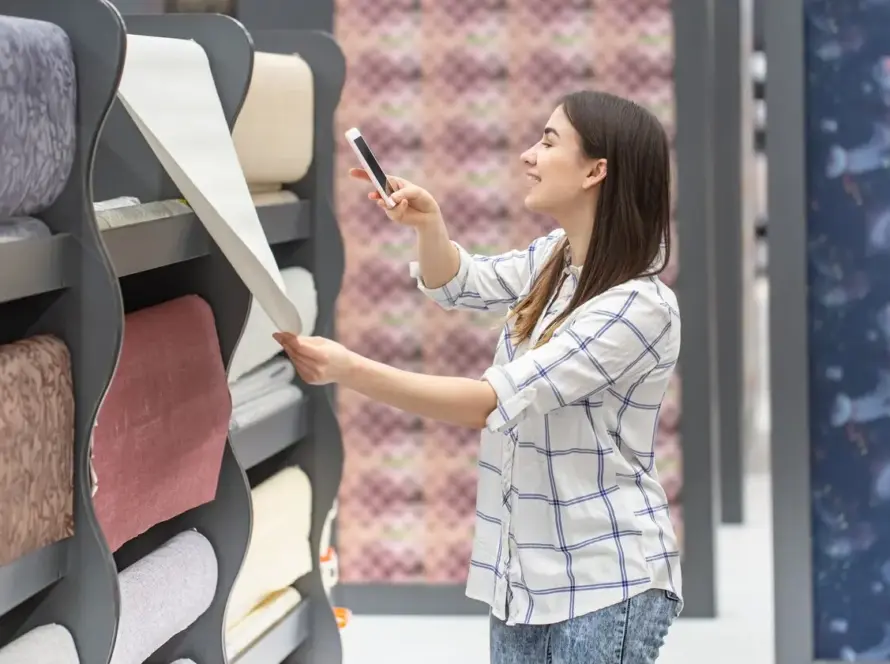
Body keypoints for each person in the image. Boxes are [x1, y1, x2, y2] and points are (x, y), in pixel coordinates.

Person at [275, 90, 682, 664]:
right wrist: (429, 226)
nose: (527, 155)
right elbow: (462, 282)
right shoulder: (556, 260)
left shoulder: (639, 307)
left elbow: (490, 402)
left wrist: (349, 370)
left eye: (547, 141)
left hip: (604, 579)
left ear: (596, 171)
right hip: (523, 574)